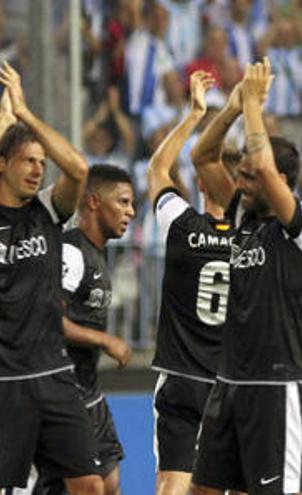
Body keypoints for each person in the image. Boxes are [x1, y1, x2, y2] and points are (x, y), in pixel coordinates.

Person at [190, 58, 302, 495]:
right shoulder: (242, 216)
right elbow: (201, 156)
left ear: (281, 181)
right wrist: (229, 109)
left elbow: (262, 166)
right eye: (241, 176)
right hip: (229, 381)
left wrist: (253, 105)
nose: (241, 183)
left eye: (249, 176)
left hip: (274, 385)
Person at [0, 62, 102, 494]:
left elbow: (78, 169)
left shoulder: (46, 212)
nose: (38, 170)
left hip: (55, 374)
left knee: (91, 486)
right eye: (28, 161)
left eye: (42, 162)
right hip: (6, 381)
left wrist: (23, 115)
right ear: (3, 165)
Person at [149, 71, 236, 495]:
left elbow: (157, 168)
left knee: (173, 483)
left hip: (181, 376)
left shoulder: (180, 225)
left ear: (200, 183)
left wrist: (194, 115)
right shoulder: (253, 240)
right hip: (233, 382)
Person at [44, 164, 135, 495]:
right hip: (61, 391)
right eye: (123, 202)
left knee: (110, 483)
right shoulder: (71, 252)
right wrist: (105, 339)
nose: (131, 212)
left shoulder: (97, 256)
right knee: (89, 487)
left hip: (89, 390)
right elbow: (50, 317)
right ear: (94, 202)